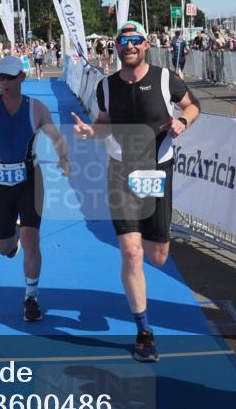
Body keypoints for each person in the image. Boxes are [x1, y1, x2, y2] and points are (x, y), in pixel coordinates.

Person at [71, 21, 201, 362]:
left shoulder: (164, 78)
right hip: (120, 170)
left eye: (135, 40)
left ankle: (145, 248)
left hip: (156, 169)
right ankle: (143, 330)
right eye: (122, 40)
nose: (128, 45)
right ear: (115, 46)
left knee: (157, 255)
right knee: (131, 251)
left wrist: (181, 122)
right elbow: (104, 122)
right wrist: (90, 131)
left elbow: (192, 106)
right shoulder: (106, 85)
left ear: (145, 44)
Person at [0, 55, 70, 322]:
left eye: (9, 77)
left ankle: (31, 297)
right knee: (5, 248)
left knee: (31, 239)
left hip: (30, 180)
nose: (4, 82)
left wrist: (63, 158)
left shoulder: (36, 108)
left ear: (22, 77)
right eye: (0, 77)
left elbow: (56, 137)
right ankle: (11, 236)